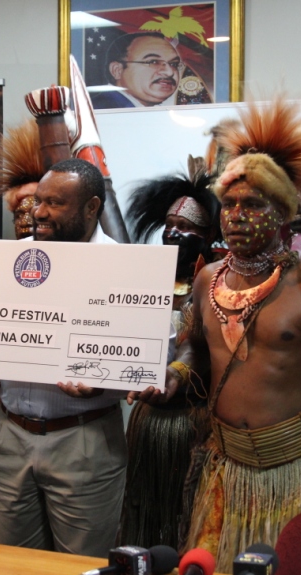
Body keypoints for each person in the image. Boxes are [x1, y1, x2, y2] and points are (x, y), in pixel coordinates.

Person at [171, 98, 301, 573]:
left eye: (253, 205)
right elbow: (195, 348)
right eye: (229, 205)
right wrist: (176, 374)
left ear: (283, 213)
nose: (236, 216)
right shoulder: (207, 280)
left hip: (300, 469)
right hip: (227, 471)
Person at [0, 158, 127, 557]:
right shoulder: (8, 261)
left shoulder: (127, 268)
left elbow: (152, 359)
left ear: (91, 207)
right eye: (39, 201)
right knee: (12, 565)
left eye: (55, 203)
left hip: (83, 441)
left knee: (81, 564)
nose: (39, 213)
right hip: (10, 435)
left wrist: (107, 381)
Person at [118, 169, 220, 549]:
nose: (173, 233)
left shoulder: (217, 288)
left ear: (207, 236)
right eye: (169, 225)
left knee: (188, 516)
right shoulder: (147, 281)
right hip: (148, 420)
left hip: (193, 420)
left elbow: (202, 349)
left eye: (185, 227)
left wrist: (178, 373)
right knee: (144, 515)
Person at [91, 33, 180, 109]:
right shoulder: (100, 109)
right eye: (153, 62)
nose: (169, 72)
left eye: (173, 64)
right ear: (117, 70)